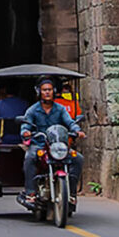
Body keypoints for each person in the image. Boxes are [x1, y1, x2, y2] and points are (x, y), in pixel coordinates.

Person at [19, 77, 85, 206]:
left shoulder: (60, 109)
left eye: (49, 90)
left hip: (57, 145)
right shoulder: (33, 110)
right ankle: (30, 193)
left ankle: (71, 193)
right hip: (39, 145)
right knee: (30, 157)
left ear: (54, 91)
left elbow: (70, 123)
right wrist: (25, 132)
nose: (47, 92)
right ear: (39, 92)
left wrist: (77, 130)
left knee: (78, 159)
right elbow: (25, 125)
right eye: (44, 90)